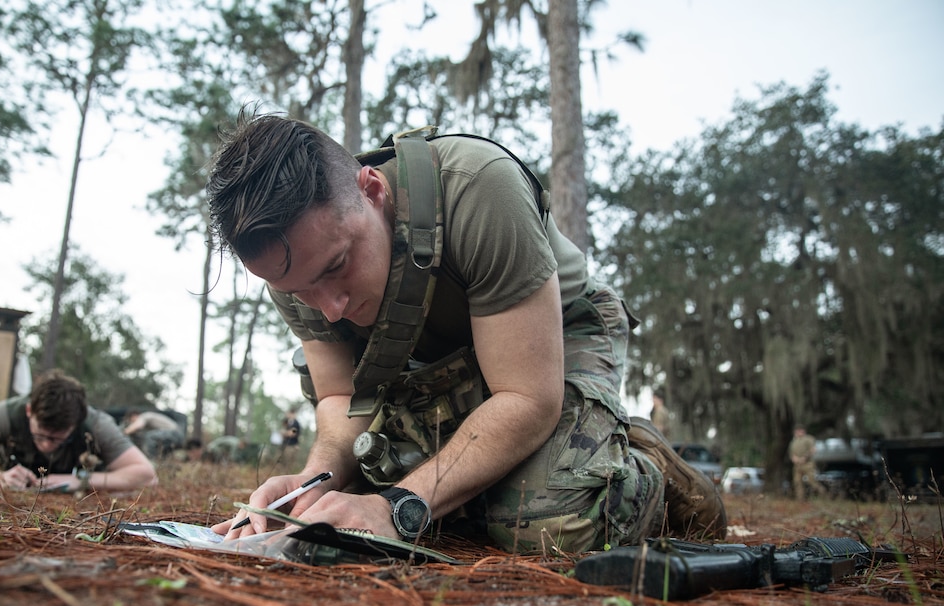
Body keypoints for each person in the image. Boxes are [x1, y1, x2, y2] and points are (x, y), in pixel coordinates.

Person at [206, 110, 726, 552]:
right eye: (299, 291)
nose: (331, 309)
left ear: (372, 190)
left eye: (337, 265)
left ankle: (637, 457)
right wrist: (313, 483)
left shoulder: (479, 190)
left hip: (556, 337)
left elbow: (525, 396)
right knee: (355, 505)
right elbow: (342, 397)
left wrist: (398, 505)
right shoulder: (291, 267)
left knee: (547, 523)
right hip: (441, 368)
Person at [0, 369, 157, 492]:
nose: (48, 444)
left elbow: (146, 475)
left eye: (58, 437)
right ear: (29, 410)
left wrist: (81, 480)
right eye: (41, 435)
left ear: (77, 422)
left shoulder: (97, 424)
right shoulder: (6, 415)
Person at [787, 424, 821, 501]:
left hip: (807, 464)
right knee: (797, 482)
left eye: (799, 430)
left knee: (812, 481)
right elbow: (791, 452)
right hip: (797, 465)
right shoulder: (794, 441)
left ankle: (823, 495)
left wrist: (805, 457)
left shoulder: (808, 439)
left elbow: (813, 450)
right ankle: (800, 500)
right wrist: (793, 458)